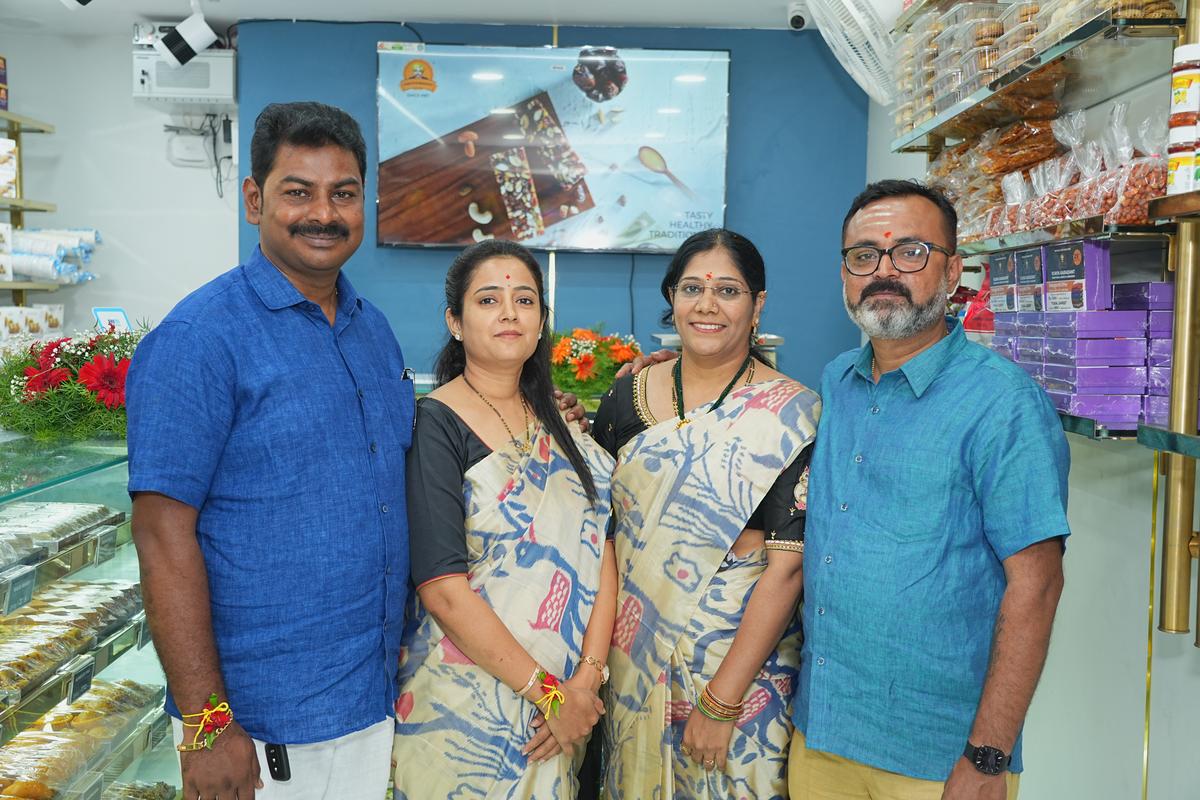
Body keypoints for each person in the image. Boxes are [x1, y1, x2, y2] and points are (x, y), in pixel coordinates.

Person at [126, 102, 586, 800]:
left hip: (375, 699)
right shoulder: (200, 338)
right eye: (297, 192)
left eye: (342, 194)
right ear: (254, 200)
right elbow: (162, 535)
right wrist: (205, 722)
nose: (323, 213)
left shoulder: (370, 332)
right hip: (263, 719)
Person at [789, 180, 1069, 800]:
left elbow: (1038, 584)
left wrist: (988, 757)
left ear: (953, 270)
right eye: (864, 256)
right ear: (844, 274)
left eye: (910, 252)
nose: (883, 272)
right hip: (822, 734)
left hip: (937, 758)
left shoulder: (1004, 404)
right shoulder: (838, 380)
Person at [597, 228, 820, 799]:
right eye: (692, 287)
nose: (708, 304)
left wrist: (722, 701)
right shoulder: (627, 397)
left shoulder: (792, 412)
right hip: (633, 661)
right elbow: (597, 530)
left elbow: (787, 568)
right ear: (672, 297)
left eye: (728, 290)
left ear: (757, 303)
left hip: (739, 673)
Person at [392, 240, 616, 798]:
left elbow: (602, 545)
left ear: (542, 321)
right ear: (456, 321)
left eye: (525, 299)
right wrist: (551, 694)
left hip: (566, 708)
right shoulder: (435, 425)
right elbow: (442, 589)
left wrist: (586, 680)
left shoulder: (561, 423)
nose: (510, 312)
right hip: (462, 710)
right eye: (489, 300)